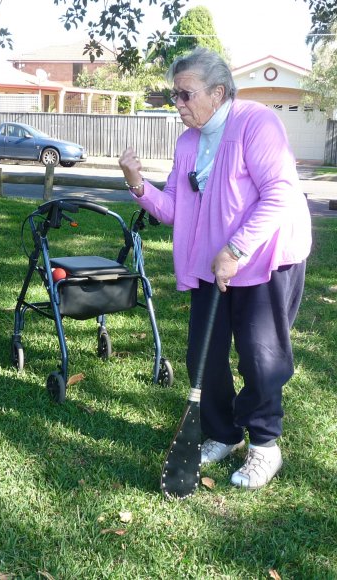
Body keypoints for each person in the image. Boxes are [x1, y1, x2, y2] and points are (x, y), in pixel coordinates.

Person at [119, 48, 311, 490]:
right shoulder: (189, 141)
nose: (178, 105)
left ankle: (265, 445)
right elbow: (173, 209)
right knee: (202, 357)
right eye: (175, 96)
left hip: (263, 258)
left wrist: (236, 249)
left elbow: (280, 194)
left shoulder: (256, 122)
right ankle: (224, 434)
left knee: (260, 357)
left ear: (218, 92)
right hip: (213, 264)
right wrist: (136, 182)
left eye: (185, 95)